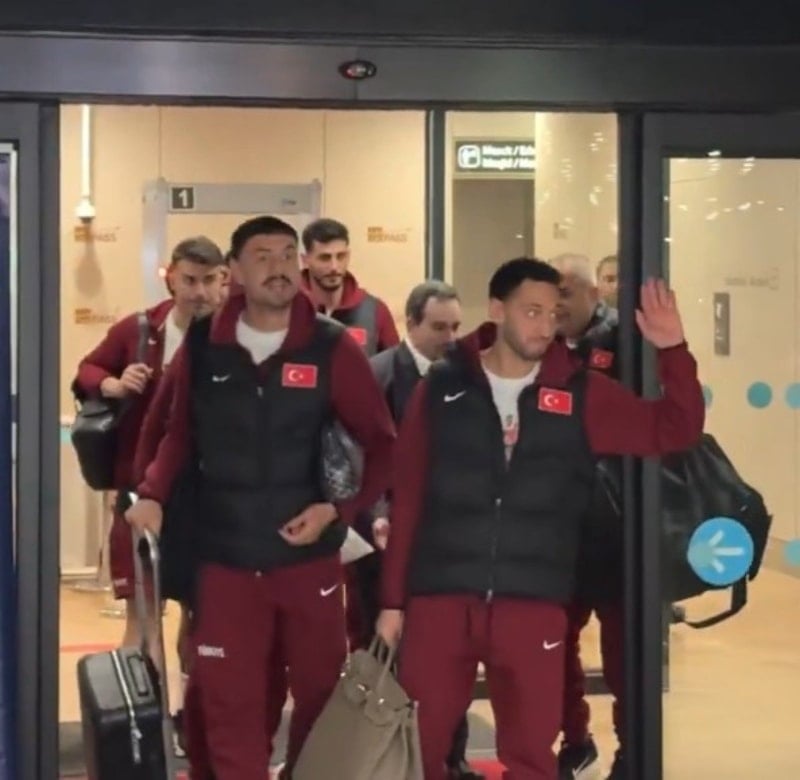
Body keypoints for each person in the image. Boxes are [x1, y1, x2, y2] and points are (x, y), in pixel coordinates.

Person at [376, 258, 705, 780]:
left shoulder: (580, 393)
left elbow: (675, 428)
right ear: (497, 310)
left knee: (532, 755)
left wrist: (673, 350)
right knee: (418, 752)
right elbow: (409, 496)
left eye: (553, 313)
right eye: (531, 311)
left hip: (533, 602)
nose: (545, 325)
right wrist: (393, 602)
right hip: (441, 598)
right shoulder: (442, 387)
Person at [126, 216, 396, 780]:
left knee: (320, 695)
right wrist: (151, 494)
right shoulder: (206, 344)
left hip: (308, 560)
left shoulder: (330, 347)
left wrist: (337, 512)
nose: (278, 268)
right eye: (263, 256)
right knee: (228, 699)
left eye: (287, 254)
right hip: (225, 556)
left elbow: (382, 446)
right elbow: (179, 434)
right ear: (236, 271)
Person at [73, 236, 226, 650]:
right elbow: (88, 369)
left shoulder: (237, 336)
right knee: (143, 619)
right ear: (171, 278)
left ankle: (194, 693)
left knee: (205, 622)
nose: (199, 292)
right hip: (140, 489)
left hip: (209, 496)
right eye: (189, 280)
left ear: (224, 280)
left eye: (209, 280)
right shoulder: (140, 330)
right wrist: (114, 384)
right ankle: (143, 693)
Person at [357, 280, 481, 780]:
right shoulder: (379, 375)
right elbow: (366, 457)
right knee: (387, 652)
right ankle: (386, 754)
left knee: (453, 654)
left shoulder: (470, 378)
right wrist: (378, 514)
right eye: (439, 327)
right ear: (410, 323)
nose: (451, 337)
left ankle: (452, 756)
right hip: (387, 538)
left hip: (451, 540)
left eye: (456, 327)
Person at [550, 252, 624, 779]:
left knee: (622, 653)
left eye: (566, 293)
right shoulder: (544, 346)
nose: (556, 305)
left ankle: (632, 747)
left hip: (617, 527)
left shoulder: (625, 344)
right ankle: (575, 739)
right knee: (553, 642)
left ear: (593, 295)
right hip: (560, 527)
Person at [300, 217, 400, 355]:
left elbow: (395, 365)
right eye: (325, 258)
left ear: (348, 256)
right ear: (305, 260)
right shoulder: (283, 308)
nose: (334, 267)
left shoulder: (375, 311)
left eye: (340, 256)